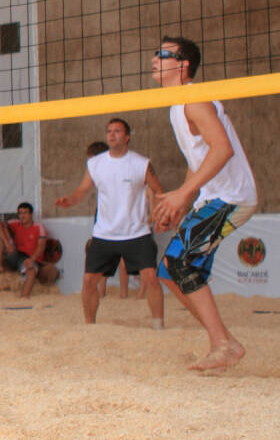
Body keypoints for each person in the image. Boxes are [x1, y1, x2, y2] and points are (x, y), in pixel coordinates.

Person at [150, 36, 258, 370]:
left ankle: (222, 345)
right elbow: (198, 158)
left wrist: (183, 194)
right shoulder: (177, 104)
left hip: (232, 198)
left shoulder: (194, 99)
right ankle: (227, 342)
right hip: (214, 197)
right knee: (169, 271)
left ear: (182, 66)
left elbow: (222, 149)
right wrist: (186, 198)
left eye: (163, 54)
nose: (154, 58)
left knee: (180, 263)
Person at [55, 118, 165, 328]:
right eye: (109, 131)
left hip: (137, 232)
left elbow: (158, 192)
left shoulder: (141, 163)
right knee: (88, 281)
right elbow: (82, 191)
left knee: (151, 278)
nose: (111, 135)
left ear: (127, 137)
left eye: (117, 131)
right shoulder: (95, 164)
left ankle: (158, 326)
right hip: (104, 234)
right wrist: (70, 200)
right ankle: (90, 326)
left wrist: (161, 216)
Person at [0, 203, 60, 297]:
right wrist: (8, 243)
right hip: (16, 255)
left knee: (31, 272)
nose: (22, 216)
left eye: (25, 213)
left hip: (29, 257)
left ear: (31, 214)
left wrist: (31, 259)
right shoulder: (16, 223)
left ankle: (24, 297)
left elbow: (41, 246)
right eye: (20, 213)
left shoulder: (38, 227)